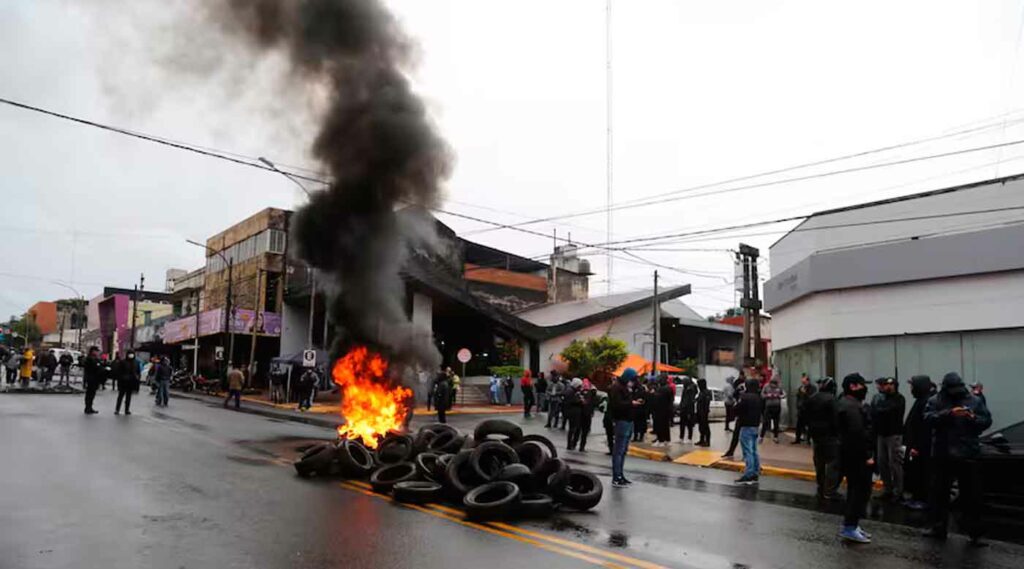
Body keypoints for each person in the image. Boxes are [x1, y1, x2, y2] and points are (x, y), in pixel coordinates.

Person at [923, 372, 992, 545]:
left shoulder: (974, 401)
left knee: (972, 496)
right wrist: (949, 414)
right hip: (943, 453)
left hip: (967, 453)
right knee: (939, 494)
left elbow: (986, 421)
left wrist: (972, 417)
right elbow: (927, 419)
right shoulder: (935, 400)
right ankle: (938, 528)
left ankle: (975, 533)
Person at [836, 373, 874, 543]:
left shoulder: (848, 403)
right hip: (856, 457)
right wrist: (867, 456)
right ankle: (850, 527)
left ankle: (852, 525)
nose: (864, 388)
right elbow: (857, 433)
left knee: (856, 490)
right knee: (859, 491)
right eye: (861, 385)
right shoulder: (851, 407)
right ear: (852, 386)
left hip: (849, 455)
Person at [804, 377, 841, 500]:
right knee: (832, 462)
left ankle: (820, 484)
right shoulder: (832, 400)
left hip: (816, 435)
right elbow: (836, 419)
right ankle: (829, 490)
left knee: (819, 461)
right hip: (830, 436)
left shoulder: (812, 398)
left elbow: (804, 415)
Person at [902, 375, 935, 510]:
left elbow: (924, 428)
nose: (911, 389)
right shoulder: (921, 400)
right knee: (914, 472)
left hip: (921, 447)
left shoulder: (926, 402)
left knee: (922, 473)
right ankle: (916, 497)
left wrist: (917, 446)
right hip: (915, 445)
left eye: (912, 386)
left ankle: (923, 499)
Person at [871, 376, 906, 502]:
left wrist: (878, 410)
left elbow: (885, 411)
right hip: (881, 434)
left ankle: (898, 491)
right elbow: (874, 411)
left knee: (895, 463)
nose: (886, 387)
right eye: (885, 384)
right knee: (882, 462)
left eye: (889, 385)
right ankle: (887, 489)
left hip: (894, 434)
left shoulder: (899, 399)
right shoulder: (881, 398)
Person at [610, 368, 642, 487]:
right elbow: (617, 405)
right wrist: (631, 403)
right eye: (632, 379)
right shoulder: (616, 388)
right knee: (618, 451)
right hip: (621, 421)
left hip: (628, 420)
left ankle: (620, 475)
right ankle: (616, 476)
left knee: (623, 451)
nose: (633, 382)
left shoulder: (625, 388)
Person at [734, 378, 763, 485]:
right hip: (755, 425)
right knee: (754, 450)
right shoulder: (759, 397)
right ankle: (755, 471)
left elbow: (736, 409)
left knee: (747, 451)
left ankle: (749, 473)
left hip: (746, 426)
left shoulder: (745, 397)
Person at [722, 377, 747, 458]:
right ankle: (733, 451)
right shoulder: (742, 391)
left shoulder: (744, 394)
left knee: (741, 437)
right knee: (739, 436)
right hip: (744, 418)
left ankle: (740, 453)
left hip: (743, 418)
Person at [113, 350, 140, 415]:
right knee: (120, 396)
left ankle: (127, 410)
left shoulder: (136, 362)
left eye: (132, 354)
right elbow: (119, 372)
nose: (131, 355)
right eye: (130, 354)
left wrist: (137, 381)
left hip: (131, 382)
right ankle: (117, 409)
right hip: (123, 382)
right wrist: (120, 380)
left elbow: (138, 372)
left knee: (128, 397)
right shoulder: (123, 362)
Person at [793, 373, 817, 444]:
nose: (803, 383)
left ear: (808, 381)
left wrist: (805, 393)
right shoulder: (801, 388)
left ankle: (808, 440)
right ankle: (797, 439)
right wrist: (797, 405)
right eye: (802, 382)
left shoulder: (813, 388)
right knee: (799, 425)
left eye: (804, 382)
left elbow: (812, 398)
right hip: (801, 409)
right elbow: (798, 397)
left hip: (809, 409)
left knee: (809, 425)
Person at [760, 377, 785, 443]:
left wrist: (779, 396)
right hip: (768, 406)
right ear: (770, 383)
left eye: (775, 386)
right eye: (772, 385)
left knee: (776, 422)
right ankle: (761, 436)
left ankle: (775, 437)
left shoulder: (779, 387)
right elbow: (762, 395)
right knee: (765, 422)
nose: (773, 387)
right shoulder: (766, 386)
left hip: (777, 406)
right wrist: (767, 395)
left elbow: (784, 394)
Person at [651, 375, 674, 446]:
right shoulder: (669, 388)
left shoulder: (661, 389)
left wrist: (653, 394)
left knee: (660, 425)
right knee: (666, 425)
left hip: (660, 410)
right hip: (667, 409)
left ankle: (661, 440)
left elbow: (657, 399)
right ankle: (667, 440)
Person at [564, 378, 584, 450]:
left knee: (573, 429)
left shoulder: (572, 391)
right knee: (572, 429)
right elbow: (572, 401)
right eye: (579, 386)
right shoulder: (570, 392)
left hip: (573, 412)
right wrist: (580, 401)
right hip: (573, 413)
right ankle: (570, 444)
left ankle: (571, 444)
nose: (580, 388)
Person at [82, 346, 103, 414]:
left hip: (95, 378)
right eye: (96, 351)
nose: (97, 352)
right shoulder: (89, 359)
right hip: (91, 378)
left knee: (92, 394)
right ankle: (87, 408)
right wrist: (98, 366)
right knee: (90, 394)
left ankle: (90, 407)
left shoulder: (95, 358)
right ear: (93, 351)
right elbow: (93, 368)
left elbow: (99, 366)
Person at [579, 378, 597, 452]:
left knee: (583, 431)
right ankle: (580, 446)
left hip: (585, 413)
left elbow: (592, 402)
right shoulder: (581, 392)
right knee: (583, 431)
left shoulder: (591, 392)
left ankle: (579, 445)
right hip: (584, 413)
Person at [677, 376, 697, 442]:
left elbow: (690, 401)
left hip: (688, 409)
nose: (683, 383)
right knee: (682, 424)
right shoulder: (685, 388)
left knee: (689, 424)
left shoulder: (691, 389)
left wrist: (688, 410)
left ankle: (689, 438)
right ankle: (681, 437)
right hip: (683, 408)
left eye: (684, 382)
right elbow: (683, 399)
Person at [631, 378, 650, 443]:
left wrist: (641, 400)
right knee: (636, 423)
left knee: (640, 423)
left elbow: (645, 399)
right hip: (636, 409)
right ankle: (636, 436)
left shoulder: (641, 389)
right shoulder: (634, 389)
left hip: (641, 409)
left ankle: (640, 436)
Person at [695, 378, 712, 447]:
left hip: (704, 412)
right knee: (701, 427)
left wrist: (704, 412)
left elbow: (707, 403)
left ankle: (707, 441)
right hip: (699, 411)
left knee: (705, 427)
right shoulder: (701, 392)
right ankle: (701, 440)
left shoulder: (707, 392)